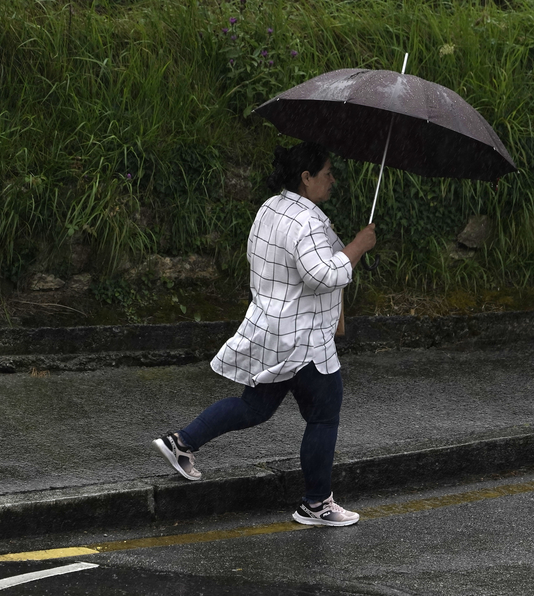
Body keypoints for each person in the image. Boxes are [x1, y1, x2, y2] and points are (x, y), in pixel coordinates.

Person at [153, 141, 376, 527]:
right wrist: (359, 245)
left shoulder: (270, 207)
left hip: (272, 328)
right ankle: (316, 504)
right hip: (304, 339)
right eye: (327, 173)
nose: (332, 180)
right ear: (306, 178)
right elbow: (323, 276)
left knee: (255, 407)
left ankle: (182, 442)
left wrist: (334, 240)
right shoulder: (306, 221)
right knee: (324, 414)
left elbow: (281, 260)